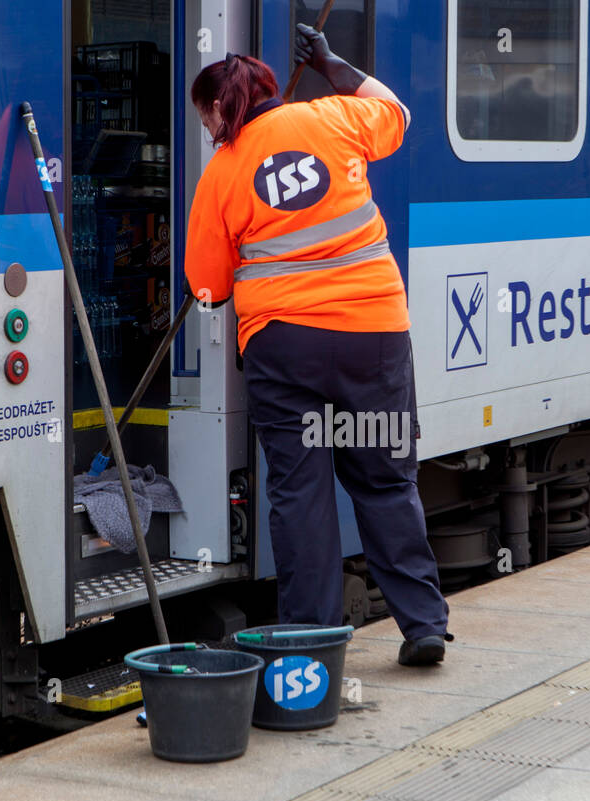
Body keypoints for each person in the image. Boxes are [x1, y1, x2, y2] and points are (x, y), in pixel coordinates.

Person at [184, 26, 452, 665]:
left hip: (286, 354)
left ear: (222, 109)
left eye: (204, 116)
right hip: (374, 341)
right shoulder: (336, 117)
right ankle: (423, 627)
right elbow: (398, 113)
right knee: (386, 482)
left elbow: (207, 287)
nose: (205, 129)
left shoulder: (222, 173)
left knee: (301, 493)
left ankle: (312, 643)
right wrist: (336, 66)